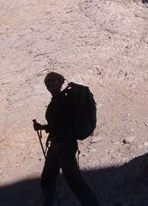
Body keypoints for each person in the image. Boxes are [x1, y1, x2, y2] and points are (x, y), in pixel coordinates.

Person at [33, 72, 99, 206]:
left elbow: (64, 122)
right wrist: (43, 127)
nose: (50, 83)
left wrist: (48, 127)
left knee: (74, 180)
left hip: (65, 145)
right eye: (48, 81)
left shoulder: (66, 99)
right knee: (47, 179)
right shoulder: (55, 103)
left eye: (53, 80)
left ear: (60, 82)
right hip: (56, 145)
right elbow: (57, 124)